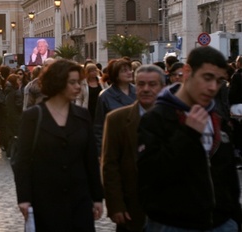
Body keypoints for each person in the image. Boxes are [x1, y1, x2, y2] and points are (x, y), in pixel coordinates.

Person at [138, 46, 242, 231]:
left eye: (219, 81)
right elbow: (151, 175)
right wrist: (188, 134)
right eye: (207, 77)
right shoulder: (156, 119)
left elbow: (229, 177)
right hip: (174, 224)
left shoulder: (217, 119)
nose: (213, 87)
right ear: (187, 72)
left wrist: (235, 218)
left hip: (222, 223)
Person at [12, 59, 103, 231]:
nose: (78, 87)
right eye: (72, 82)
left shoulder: (83, 116)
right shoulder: (33, 116)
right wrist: (24, 197)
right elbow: (21, 160)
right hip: (44, 198)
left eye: (79, 82)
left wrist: (97, 197)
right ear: (58, 82)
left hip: (79, 198)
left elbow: (90, 159)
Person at [101, 65, 165, 232]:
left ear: (162, 87)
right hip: (132, 208)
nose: (145, 89)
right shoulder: (117, 119)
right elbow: (110, 165)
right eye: (141, 84)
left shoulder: (176, 118)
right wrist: (115, 205)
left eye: (152, 85)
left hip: (168, 209)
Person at [93, 58, 137, 153]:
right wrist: (100, 151)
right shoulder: (105, 96)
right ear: (116, 75)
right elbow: (99, 126)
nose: (129, 73)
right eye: (124, 71)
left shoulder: (138, 91)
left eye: (130, 69)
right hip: (115, 145)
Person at [4, 73, 23, 158]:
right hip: (16, 115)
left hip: (9, 115)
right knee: (16, 135)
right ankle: (13, 152)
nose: (20, 81)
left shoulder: (7, 90)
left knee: (11, 134)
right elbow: (19, 105)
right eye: (18, 80)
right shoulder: (16, 91)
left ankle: (9, 152)